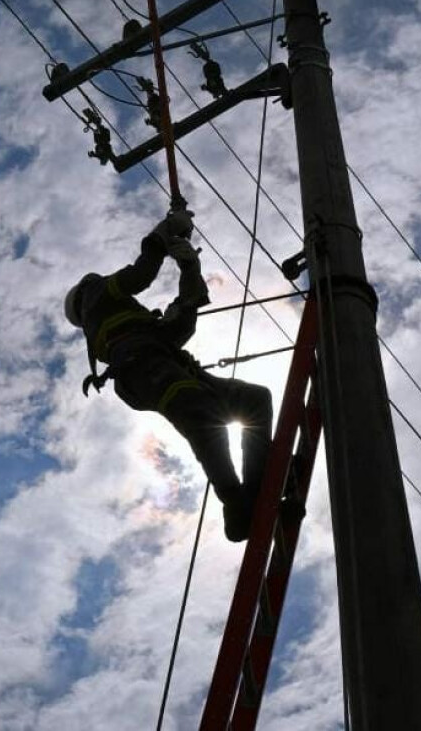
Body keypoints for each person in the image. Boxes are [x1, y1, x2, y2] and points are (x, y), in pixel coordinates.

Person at [64, 210, 273, 541]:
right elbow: (141, 274)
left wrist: (190, 268)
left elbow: (180, 326)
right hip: (144, 370)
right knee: (200, 411)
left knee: (253, 400)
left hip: (162, 366)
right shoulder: (97, 295)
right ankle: (235, 503)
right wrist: (163, 233)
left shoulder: (130, 322)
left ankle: (257, 490)